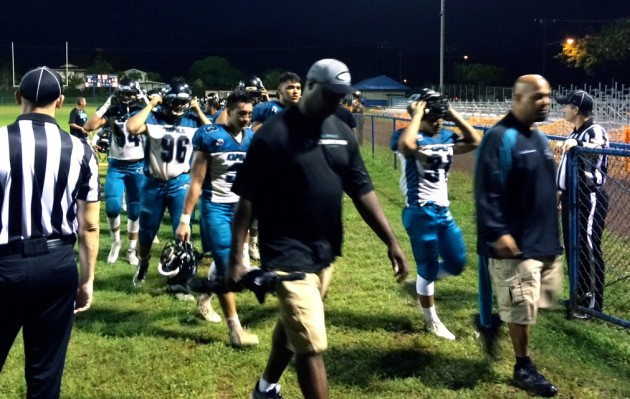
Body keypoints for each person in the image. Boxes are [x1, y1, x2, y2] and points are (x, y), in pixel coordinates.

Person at [228, 58, 409, 399]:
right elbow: (247, 200)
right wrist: (237, 257)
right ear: (310, 85)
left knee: (294, 323)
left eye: (340, 96)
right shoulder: (273, 135)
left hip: (324, 250)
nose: (335, 102)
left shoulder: (340, 130)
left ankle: (265, 387)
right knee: (311, 344)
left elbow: (362, 189)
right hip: (285, 251)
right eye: (330, 94)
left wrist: (392, 241)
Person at [0, 66, 100, 398]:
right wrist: (86, 279)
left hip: (6, 265)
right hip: (58, 265)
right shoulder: (81, 150)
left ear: (18, 99)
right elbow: (89, 225)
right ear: (60, 102)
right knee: (45, 376)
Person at [475, 74, 562, 397]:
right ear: (517, 98)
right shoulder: (500, 137)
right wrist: (498, 233)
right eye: (538, 96)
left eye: (548, 95)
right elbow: (486, 191)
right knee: (522, 308)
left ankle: (494, 321)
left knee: (542, 301)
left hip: (544, 240)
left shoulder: (537, 136)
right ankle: (522, 366)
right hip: (515, 244)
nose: (546, 102)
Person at [392, 89, 481, 340]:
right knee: (428, 267)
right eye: (433, 117)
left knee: (457, 262)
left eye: (439, 116)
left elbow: (475, 141)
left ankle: (420, 285)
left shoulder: (446, 136)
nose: (438, 121)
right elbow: (407, 145)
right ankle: (432, 320)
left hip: (443, 210)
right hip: (420, 211)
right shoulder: (407, 135)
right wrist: (417, 115)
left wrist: (452, 113)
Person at [175, 90, 259, 347]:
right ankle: (235, 330)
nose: (246, 118)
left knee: (238, 261)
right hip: (216, 208)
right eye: (241, 113)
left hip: (240, 210)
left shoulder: (251, 139)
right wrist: (185, 218)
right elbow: (197, 180)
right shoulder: (210, 136)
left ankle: (205, 298)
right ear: (229, 111)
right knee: (227, 265)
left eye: (249, 114)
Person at [126, 78, 209, 298]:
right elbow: (131, 126)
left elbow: (211, 132)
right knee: (146, 234)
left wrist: (198, 109)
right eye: (175, 102)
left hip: (180, 183)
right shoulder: (153, 117)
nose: (179, 107)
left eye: (183, 102)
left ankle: (178, 283)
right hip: (153, 183)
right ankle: (143, 264)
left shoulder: (192, 119)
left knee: (182, 233)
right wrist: (151, 104)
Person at [84, 77, 148, 266]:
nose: (128, 98)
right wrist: (107, 104)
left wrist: (145, 100)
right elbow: (89, 126)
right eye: (124, 94)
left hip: (138, 165)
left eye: (131, 93)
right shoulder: (113, 109)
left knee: (135, 211)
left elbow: (157, 114)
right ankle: (115, 243)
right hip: (117, 165)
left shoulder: (141, 111)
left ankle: (131, 249)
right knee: (112, 207)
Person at [555, 90, 609, 315]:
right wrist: (560, 190)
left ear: (576, 109)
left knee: (588, 246)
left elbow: (595, 152)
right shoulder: (576, 132)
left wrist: (577, 148)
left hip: (589, 196)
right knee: (573, 246)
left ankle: (594, 304)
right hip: (572, 197)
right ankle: (579, 295)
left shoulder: (593, 130)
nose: (563, 109)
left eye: (566, 106)